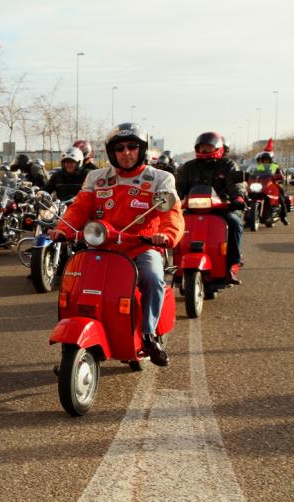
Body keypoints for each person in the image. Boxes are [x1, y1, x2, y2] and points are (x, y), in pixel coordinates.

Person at [48, 123, 184, 366]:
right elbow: (79, 208)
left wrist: (165, 235)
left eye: (132, 147)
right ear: (112, 152)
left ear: (141, 150)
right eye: (119, 148)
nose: (126, 152)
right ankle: (74, 344)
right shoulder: (97, 178)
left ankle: (148, 333)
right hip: (102, 247)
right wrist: (63, 229)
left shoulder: (160, 179)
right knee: (77, 288)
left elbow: (171, 213)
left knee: (153, 278)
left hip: (141, 247)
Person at [176, 132, 246, 284]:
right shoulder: (188, 167)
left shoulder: (227, 165)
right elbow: (179, 188)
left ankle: (233, 263)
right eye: (201, 147)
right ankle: (173, 265)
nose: (205, 150)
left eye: (209, 147)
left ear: (219, 148)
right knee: (175, 224)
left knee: (234, 223)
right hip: (193, 209)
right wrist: (174, 200)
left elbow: (236, 184)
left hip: (221, 208)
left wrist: (238, 198)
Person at [250, 140, 290, 225]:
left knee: (281, 197)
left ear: (270, 159)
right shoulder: (259, 166)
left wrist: (279, 177)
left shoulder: (275, 166)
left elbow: (281, 175)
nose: (265, 161)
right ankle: (248, 218)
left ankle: (284, 217)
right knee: (248, 195)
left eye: (267, 159)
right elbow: (254, 174)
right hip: (262, 184)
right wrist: (250, 177)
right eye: (264, 159)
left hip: (273, 184)